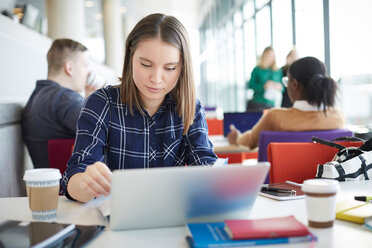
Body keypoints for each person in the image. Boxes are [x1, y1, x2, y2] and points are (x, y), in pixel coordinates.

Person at [61, 13, 218, 203]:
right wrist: (86, 182)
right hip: (115, 220)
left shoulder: (191, 107)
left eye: (169, 68)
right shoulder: (102, 103)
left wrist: (215, 180)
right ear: (130, 55)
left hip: (172, 217)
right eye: (145, 64)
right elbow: (73, 178)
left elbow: (205, 165)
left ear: (182, 67)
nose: (156, 78)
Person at [228, 56, 345, 149]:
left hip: (281, 180)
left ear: (295, 84)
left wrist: (237, 138)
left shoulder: (275, 117)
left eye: (287, 81)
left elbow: (251, 141)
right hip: (325, 179)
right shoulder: (337, 117)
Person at [22, 39, 98, 168]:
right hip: (69, 184)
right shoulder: (65, 99)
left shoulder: (38, 96)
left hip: (49, 182)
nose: (88, 72)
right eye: (85, 66)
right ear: (69, 68)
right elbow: (104, 132)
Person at [246, 46, 283, 111]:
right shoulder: (257, 70)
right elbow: (250, 85)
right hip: (257, 103)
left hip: (272, 104)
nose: (270, 58)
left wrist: (279, 87)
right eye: (268, 55)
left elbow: (283, 88)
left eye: (272, 56)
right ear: (264, 56)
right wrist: (263, 86)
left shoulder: (278, 71)